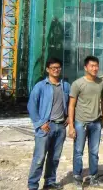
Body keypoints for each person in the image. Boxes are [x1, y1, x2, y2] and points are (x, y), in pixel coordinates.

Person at [27, 58, 70, 190]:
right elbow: (31, 106)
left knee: (55, 157)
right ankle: (33, 185)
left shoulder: (66, 86)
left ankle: (50, 182)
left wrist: (68, 117)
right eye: (53, 68)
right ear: (47, 70)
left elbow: (70, 103)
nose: (56, 70)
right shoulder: (40, 86)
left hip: (60, 126)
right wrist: (40, 123)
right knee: (39, 157)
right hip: (46, 127)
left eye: (58, 67)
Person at [68, 56, 103, 189]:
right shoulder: (78, 84)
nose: (95, 68)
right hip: (81, 123)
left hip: (96, 122)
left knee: (94, 152)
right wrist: (71, 126)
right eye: (91, 66)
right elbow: (71, 105)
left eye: (96, 65)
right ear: (85, 68)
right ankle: (77, 177)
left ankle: (93, 178)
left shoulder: (101, 83)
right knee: (78, 151)